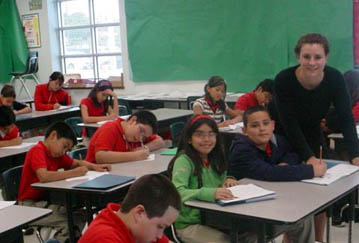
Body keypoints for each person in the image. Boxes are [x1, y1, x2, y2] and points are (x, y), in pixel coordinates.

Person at [270, 33, 359, 242]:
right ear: (298, 57)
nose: (312, 62)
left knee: (321, 192)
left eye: (317, 57)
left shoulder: (335, 78)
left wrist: (355, 155)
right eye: (306, 56)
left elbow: (346, 118)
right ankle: (289, 239)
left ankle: (317, 240)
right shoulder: (284, 79)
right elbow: (289, 124)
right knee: (292, 191)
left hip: (312, 131)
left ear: (326, 58)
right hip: (283, 134)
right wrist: (308, 157)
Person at [18, 121, 111, 242]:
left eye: (68, 149)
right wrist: (74, 173)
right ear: (53, 136)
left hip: (46, 202)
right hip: (29, 206)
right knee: (69, 221)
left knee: (81, 216)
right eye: (64, 146)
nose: (64, 151)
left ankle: (69, 239)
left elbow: (76, 163)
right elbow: (44, 176)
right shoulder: (37, 150)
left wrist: (94, 167)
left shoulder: (56, 155)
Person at [168, 115, 254, 243]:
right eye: (200, 135)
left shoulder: (214, 158)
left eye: (211, 134)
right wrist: (211, 193)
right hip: (190, 224)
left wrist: (228, 179)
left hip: (216, 219)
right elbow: (177, 192)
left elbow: (221, 179)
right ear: (189, 139)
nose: (207, 139)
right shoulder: (184, 161)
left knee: (253, 235)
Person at [228, 105, 327, 181]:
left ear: (273, 125)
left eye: (266, 123)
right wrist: (312, 171)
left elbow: (294, 153)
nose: (262, 129)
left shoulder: (276, 141)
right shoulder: (241, 150)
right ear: (244, 131)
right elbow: (269, 173)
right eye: (255, 126)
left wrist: (286, 162)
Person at [79, 174, 181, 243]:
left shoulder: (136, 228)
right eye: (160, 226)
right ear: (139, 213)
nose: (160, 236)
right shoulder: (104, 238)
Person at [86, 110, 164, 163]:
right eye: (141, 131)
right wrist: (134, 155)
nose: (139, 138)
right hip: (97, 176)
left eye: (144, 137)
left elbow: (159, 141)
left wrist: (144, 148)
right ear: (133, 120)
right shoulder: (110, 128)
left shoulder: (136, 135)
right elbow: (100, 156)